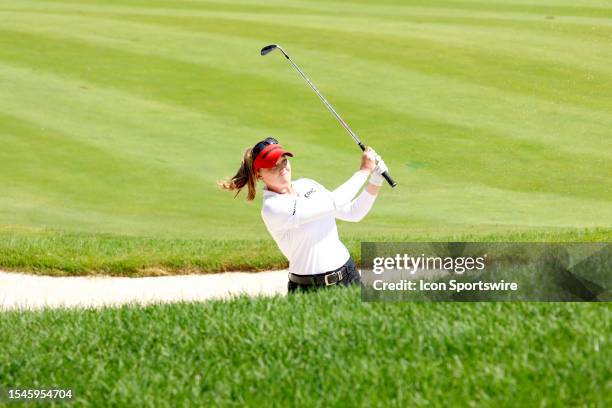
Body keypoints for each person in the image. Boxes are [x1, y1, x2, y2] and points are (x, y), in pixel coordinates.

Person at [219, 137, 387, 293]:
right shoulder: (273, 208)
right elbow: (334, 201)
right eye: (272, 165)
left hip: (349, 276)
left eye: (283, 160)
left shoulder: (307, 184)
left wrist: (376, 179)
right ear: (258, 174)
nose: (282, 168)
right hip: (308, 288)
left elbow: (353, 212)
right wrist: (364, 171)